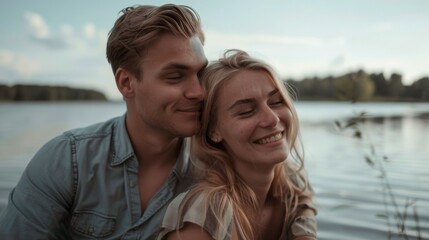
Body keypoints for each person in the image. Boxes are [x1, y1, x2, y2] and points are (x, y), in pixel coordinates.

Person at [0, 4, 207, 239]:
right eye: (175, 76)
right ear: (126, 83)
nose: (199, 92)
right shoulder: (66, 161)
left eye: (201, 74)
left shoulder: (215, 170)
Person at [156, 49, 317, 240]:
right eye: (247, 111)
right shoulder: (205, 216)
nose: (272, 119)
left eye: (275, 101)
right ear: (213, 131)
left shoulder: (293, 183)